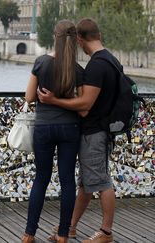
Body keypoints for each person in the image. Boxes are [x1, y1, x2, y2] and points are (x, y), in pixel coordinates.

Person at [38, 18, 118, 243]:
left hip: (94, 131)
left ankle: (106, 232)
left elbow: (84, 106)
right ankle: (71, 226)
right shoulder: (111, 60)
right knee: (86, 183)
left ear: (81, 40)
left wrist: (54, 100)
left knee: (102, 182)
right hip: (102, 129)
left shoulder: (96, 66)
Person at [21, 19, 84, 243]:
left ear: (54, 37)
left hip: (44, 127)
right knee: (67, 180)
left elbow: (29, 97)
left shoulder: (41, 62)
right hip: (70, 128)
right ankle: (63, 234)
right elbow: (83, 104)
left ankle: (29, 234)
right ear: (74, 40)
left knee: (41, 179)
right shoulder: (77, 70)